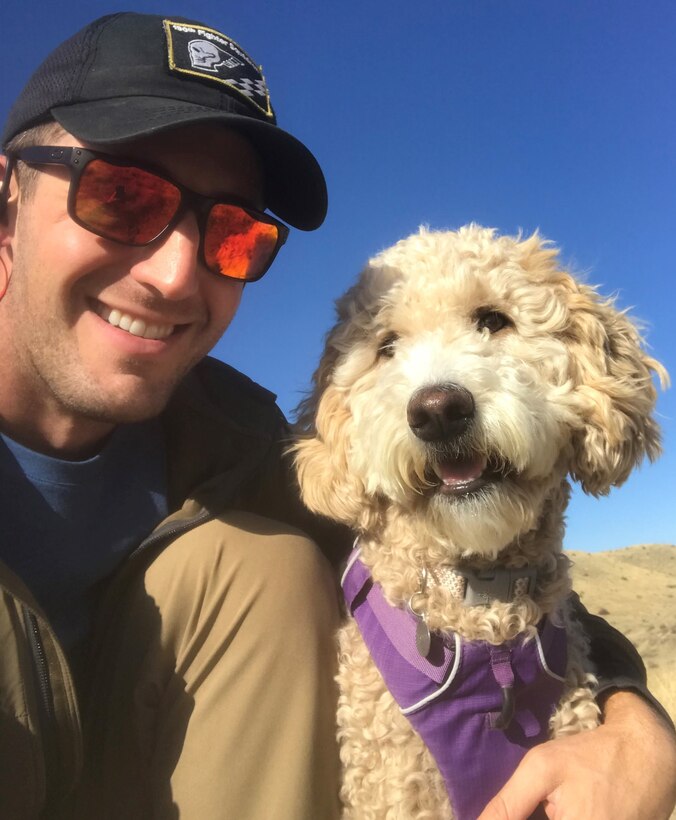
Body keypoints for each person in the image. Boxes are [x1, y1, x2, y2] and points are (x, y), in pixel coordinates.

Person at [0, 11, 673, 820]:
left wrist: (636, 718)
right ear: (7, 203)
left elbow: (500, 588)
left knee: (252, 567)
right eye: (122, 196)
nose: (176, 276)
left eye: (234, 234)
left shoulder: (240, 447)